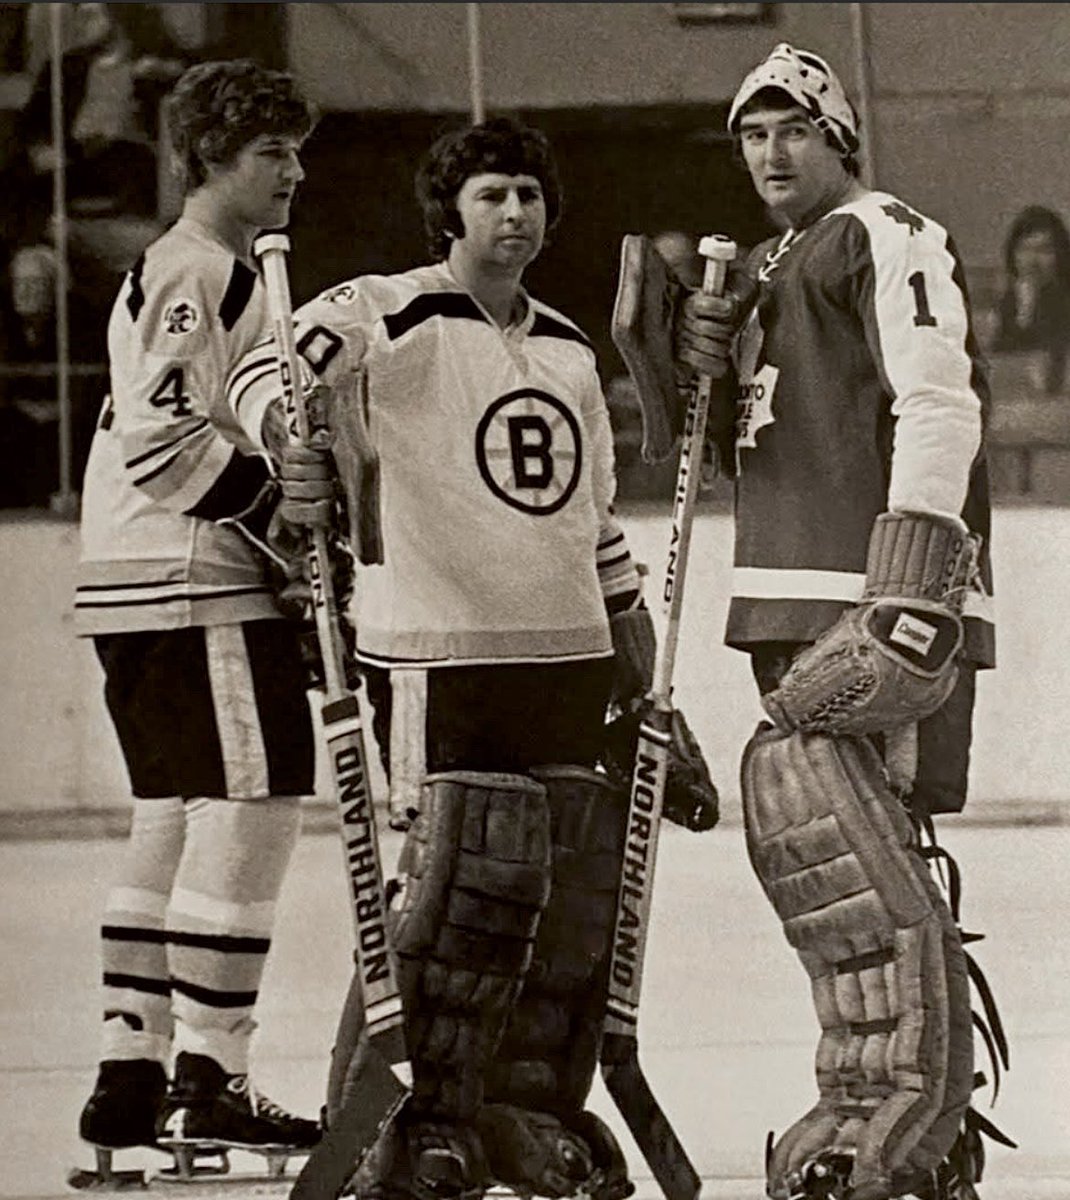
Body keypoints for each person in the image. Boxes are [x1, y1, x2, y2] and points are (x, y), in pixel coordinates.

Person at [225, 116, 695, 1200]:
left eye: (529, 197)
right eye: (491, 196)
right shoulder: (380, 310)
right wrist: (287, 447)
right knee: (449, 905)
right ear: (450, 210)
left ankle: (520, 1111)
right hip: (440, 656)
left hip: (570, 659)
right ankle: (402, 1118)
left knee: (560, 919)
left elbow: (595, 523)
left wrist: (635, 648)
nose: (514, 215)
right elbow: (263, 373)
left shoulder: (572, 344)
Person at [674, 44, 1006, 1200]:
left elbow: (936, 394)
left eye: (790, 131)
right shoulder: (769, 262)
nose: (769, 154)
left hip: (868, 589)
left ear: (838, 137)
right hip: (792, 584)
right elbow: (759, 443)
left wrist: (911, 569)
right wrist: (691, 380)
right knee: (826, 869)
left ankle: (922, 1113)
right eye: (750, 137)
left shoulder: (883, 229)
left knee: (875, 867)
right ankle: (872, 1096)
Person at [72, 58, 324, 1178]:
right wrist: (288, 520)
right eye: (270, 153)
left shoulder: (186, 267)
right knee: (254, 799)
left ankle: (132, 1069)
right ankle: (211, 1076)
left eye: (294, 151)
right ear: (210, 159)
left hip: (135, 583)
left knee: (170, 811)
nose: (292, 173)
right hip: (187, 580)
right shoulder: (201, 272)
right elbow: (166, 442)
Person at [990, 204, 1070, 393]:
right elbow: (1002, 357)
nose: (1032, 260)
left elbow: (1051, 356)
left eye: (1044, 250)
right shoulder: (1010, 300)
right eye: (1025, 250)